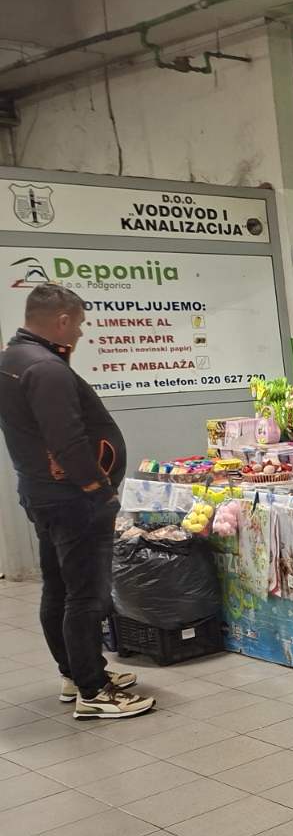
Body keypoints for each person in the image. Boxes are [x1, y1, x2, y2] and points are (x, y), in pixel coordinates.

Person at [0, 285, 153, 719]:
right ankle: (94, 692)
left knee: (60, 587)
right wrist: (98, 490)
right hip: (72, 502)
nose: (83, 332)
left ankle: (77, 673)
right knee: (86, 596)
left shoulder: (11, 358)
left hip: (42, 496)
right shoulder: (46, 369)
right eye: (81, 323)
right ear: (63, 321)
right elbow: (67, 440)